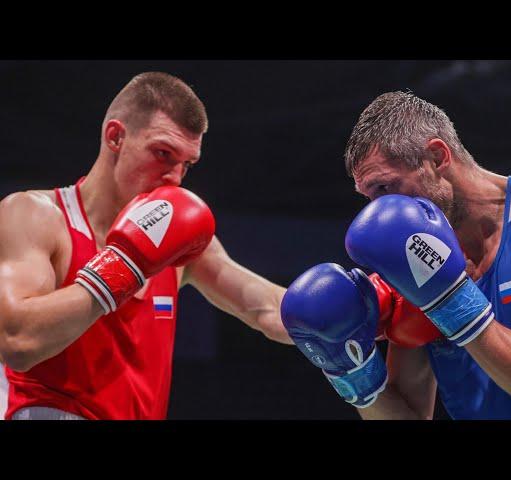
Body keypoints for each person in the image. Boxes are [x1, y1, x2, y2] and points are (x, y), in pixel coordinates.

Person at [281, 90, 511, 420]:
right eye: (369, 197)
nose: (381, 210)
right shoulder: (412, 258)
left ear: (437, 157)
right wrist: (353, 374)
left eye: (386, 188)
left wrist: (450, 301)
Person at [0, 72, 292, 420]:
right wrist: (122, 266)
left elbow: (265, 308)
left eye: (187, 164)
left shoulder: (178, 242)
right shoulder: (35, 215)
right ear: (115, 137)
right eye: (163, 153)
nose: (175, 177)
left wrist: (348, 312)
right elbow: (16, 342)